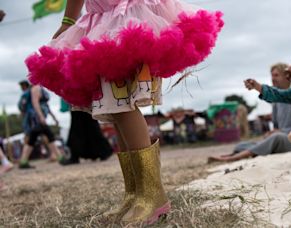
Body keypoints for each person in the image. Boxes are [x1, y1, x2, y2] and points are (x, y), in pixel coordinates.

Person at [25, 0, 223, 225]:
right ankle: (135, 193)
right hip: (102, 20)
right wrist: (69, 21)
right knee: (115, 109)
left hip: (125, 20)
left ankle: (152, 195)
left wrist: (68, 21)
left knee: (122, 105)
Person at [208, 63, 291, 163]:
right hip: (280, 137)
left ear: (287, 76)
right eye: (272, 76)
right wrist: (272, 131)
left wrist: (281, 131)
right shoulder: (276, 102)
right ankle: (234, 154)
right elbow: (276, 126)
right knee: (241, 145)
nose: (273, 78)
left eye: (276, 75)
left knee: (277, 137)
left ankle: (232, 158)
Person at [18, 81, 65, 168]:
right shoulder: (36, 88)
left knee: (33, 138)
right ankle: (60, 157)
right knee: (48, 135)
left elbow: (45, 105)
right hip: (36, 118)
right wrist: (41, 116)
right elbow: (35, 103)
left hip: (37, 117)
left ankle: (23, 161)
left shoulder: (37, 88)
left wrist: (54, 117)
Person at [60, 100, 113, 165]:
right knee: (87, 123)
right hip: (82, 98)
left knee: (80, 124)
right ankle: (102, 151)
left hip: (79, 96)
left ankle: (76, 155)